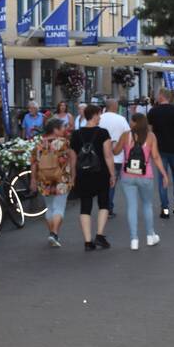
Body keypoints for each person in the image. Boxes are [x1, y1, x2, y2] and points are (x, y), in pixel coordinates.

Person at [113, 113, 169, 250]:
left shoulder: (126, 135)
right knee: (147, 205)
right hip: (145, 175)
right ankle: (150, 236)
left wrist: (113, 144)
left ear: (134, 122)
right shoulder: (151, 136)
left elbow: (115, 152)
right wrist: (164, 174)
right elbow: (155, 157)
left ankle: (134, 240)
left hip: (127, 176)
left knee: (132, 207)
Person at [70, 104, 115, 251]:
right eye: (99, 114)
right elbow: (108, 156)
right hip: (100, 172)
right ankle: (100, 235)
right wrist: (112, 174)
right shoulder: (103, 133)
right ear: (94, 115)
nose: (100, 117)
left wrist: (73, 176)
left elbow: (73, 158)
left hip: (83, 174)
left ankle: (88, 242)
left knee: (85, 206)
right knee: (104, 203)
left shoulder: (76, 134)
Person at [30, 118, 76, 247]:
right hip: (61, 179)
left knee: (50, 208)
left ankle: (52, 233)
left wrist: (33, 179)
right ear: (55, 129)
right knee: (59, 208)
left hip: (44, 180)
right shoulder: (64, 143)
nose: (65, 129)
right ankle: (54, 234)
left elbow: (33, 163)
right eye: (62, 127)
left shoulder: (39, 144)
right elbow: (72, 160)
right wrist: (73, 176)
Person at [147, 87, 174, 218]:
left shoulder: (153, 111)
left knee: (162, 178)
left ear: (161, 96)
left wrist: (148, 149)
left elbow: (149, 132)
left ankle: (164, 209)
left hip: (158, 150)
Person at [99, 98, 131, 218]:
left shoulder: (100, 118)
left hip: (101, 155)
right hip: (117, 156)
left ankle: (103, 206)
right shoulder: (121, 119)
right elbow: (128, 136)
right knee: (112, 182)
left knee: (103, 182)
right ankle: (108, 207)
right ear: (115, 106)